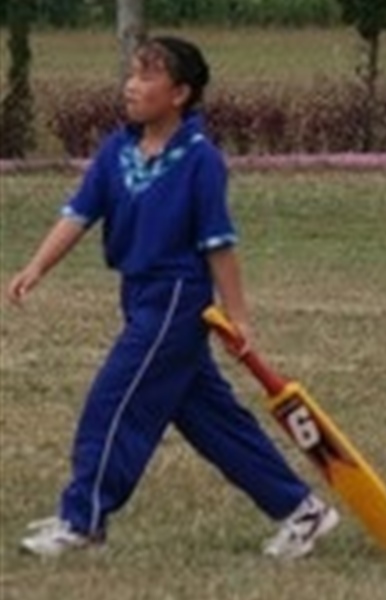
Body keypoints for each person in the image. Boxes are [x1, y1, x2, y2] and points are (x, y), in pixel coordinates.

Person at [7, 36, 338, 559]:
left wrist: (239, 316)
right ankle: (302, 511)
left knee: (112, 403)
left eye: (146, 76)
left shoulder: (201, 160)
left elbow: (218, 244)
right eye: (131, 74)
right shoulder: (118, 150)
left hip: (177, 300)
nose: (132, 85)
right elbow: (79, 214)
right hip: (138, 295)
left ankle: (83, 520)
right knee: (212, 421)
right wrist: (36, 267)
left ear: (180, 92)